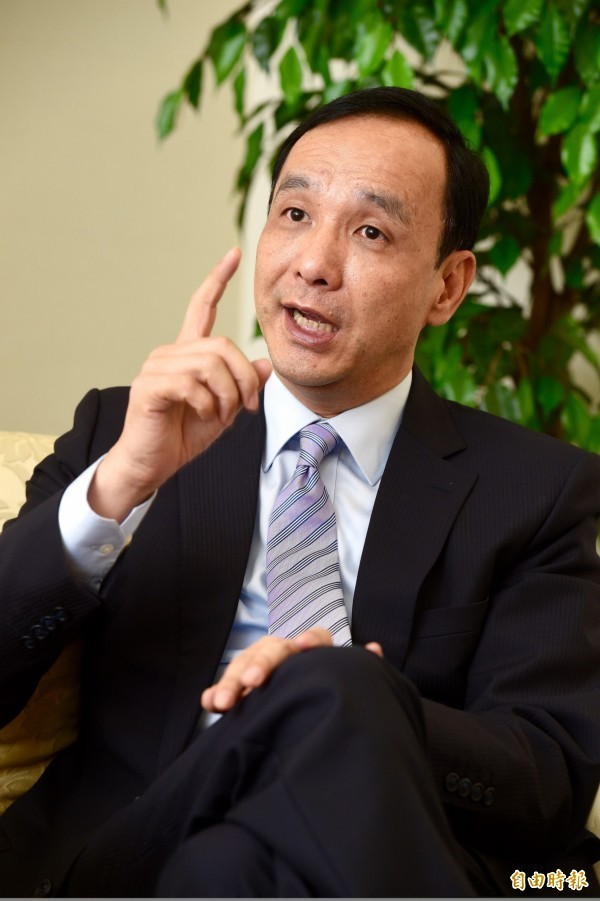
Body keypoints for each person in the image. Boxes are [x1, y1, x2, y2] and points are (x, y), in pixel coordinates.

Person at [0, 86, 599, 897]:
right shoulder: (124, 430)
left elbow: (548, 778)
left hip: (336, 858)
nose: (314, 264)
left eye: (371, 231)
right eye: (294, 214)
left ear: (447, 287)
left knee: (239, 849)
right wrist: (118, 487)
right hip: (131, 852)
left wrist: (364, 707)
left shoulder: (534, 489)